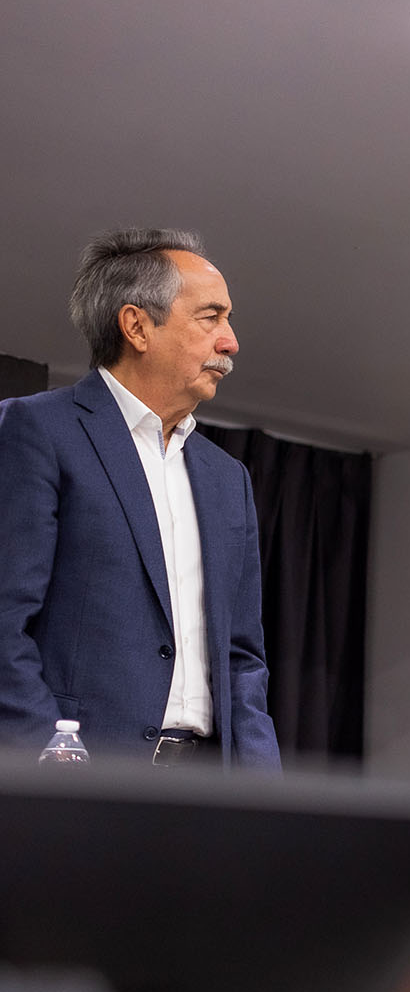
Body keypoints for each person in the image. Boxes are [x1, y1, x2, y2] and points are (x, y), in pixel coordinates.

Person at [0, 229, 280, 769]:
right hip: (80, 774)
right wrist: (51, 763)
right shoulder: (37, 430)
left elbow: (243, 659)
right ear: (137, 326)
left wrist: (264, 790)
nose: (230, 342)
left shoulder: (229, 478)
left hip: (207, 788)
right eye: (211, 317)